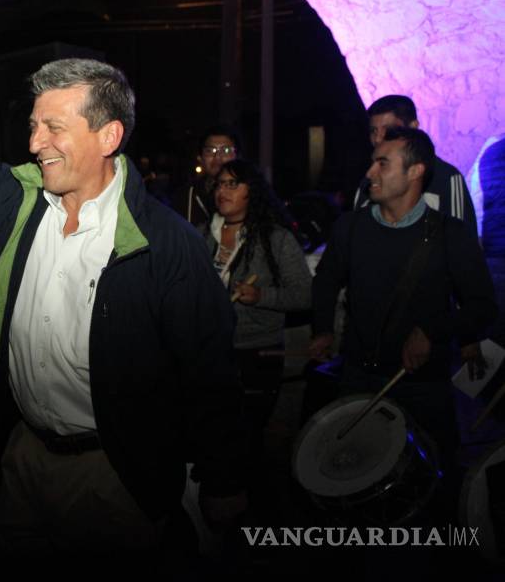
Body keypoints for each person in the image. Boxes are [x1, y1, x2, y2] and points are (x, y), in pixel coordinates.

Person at [0, 38, 245, 566]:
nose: (36, 142)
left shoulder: (167, 244)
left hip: (115, 472)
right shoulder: (17, 203)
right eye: (34, 125)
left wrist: (223, 479)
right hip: (23, 455)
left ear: (109, 136)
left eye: (53, 127)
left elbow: (209, 369)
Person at [310, 127, 496, 487]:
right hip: (358, 380)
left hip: (423, 387)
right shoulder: (351, 227)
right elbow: (326, 280)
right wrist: (322, 330)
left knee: (432, 481)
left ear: (415, 171)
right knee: (352, 480)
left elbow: (483, 307)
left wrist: (433, 332)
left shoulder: (451, 234)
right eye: (372, 163)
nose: (370, 173)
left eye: (382, 163)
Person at [200, 159, 311, 510]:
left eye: (233, 184)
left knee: (246, 440)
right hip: (210, 353)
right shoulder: (203, 235)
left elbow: (304, 295)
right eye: (220, 184)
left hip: (257, 354)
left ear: (254, 191)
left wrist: (262, 296)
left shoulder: (275, 238)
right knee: (214, 437)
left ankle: (253, 517)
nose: (223, 191)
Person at [353, 95, 477, 233]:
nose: (378, 138)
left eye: (388, 129)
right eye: (373, 131)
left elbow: (460, 238)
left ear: (413, 126)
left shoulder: (446, 177)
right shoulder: (367, 181)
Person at [173, 125, 240, 226]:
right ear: (200, 158)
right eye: (210, 151)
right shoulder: (186, 196)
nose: (218, 157)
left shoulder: (249, 195)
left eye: (226, 150)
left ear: (237, 156)